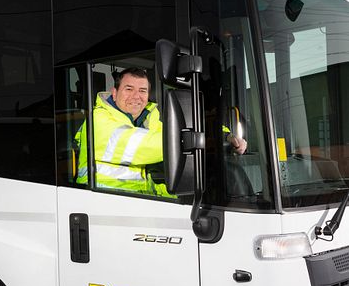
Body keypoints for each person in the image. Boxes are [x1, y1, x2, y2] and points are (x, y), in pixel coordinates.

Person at [75, 67, 246, 196]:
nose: (136, 96)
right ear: (114, 93)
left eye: (142, 91)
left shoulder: (147, 117)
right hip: (102, 202)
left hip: (138, 199)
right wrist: (204, 140)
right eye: (129, 89)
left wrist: (224, 136)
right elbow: (150, 145)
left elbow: (179, 129)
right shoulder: (99, 120)